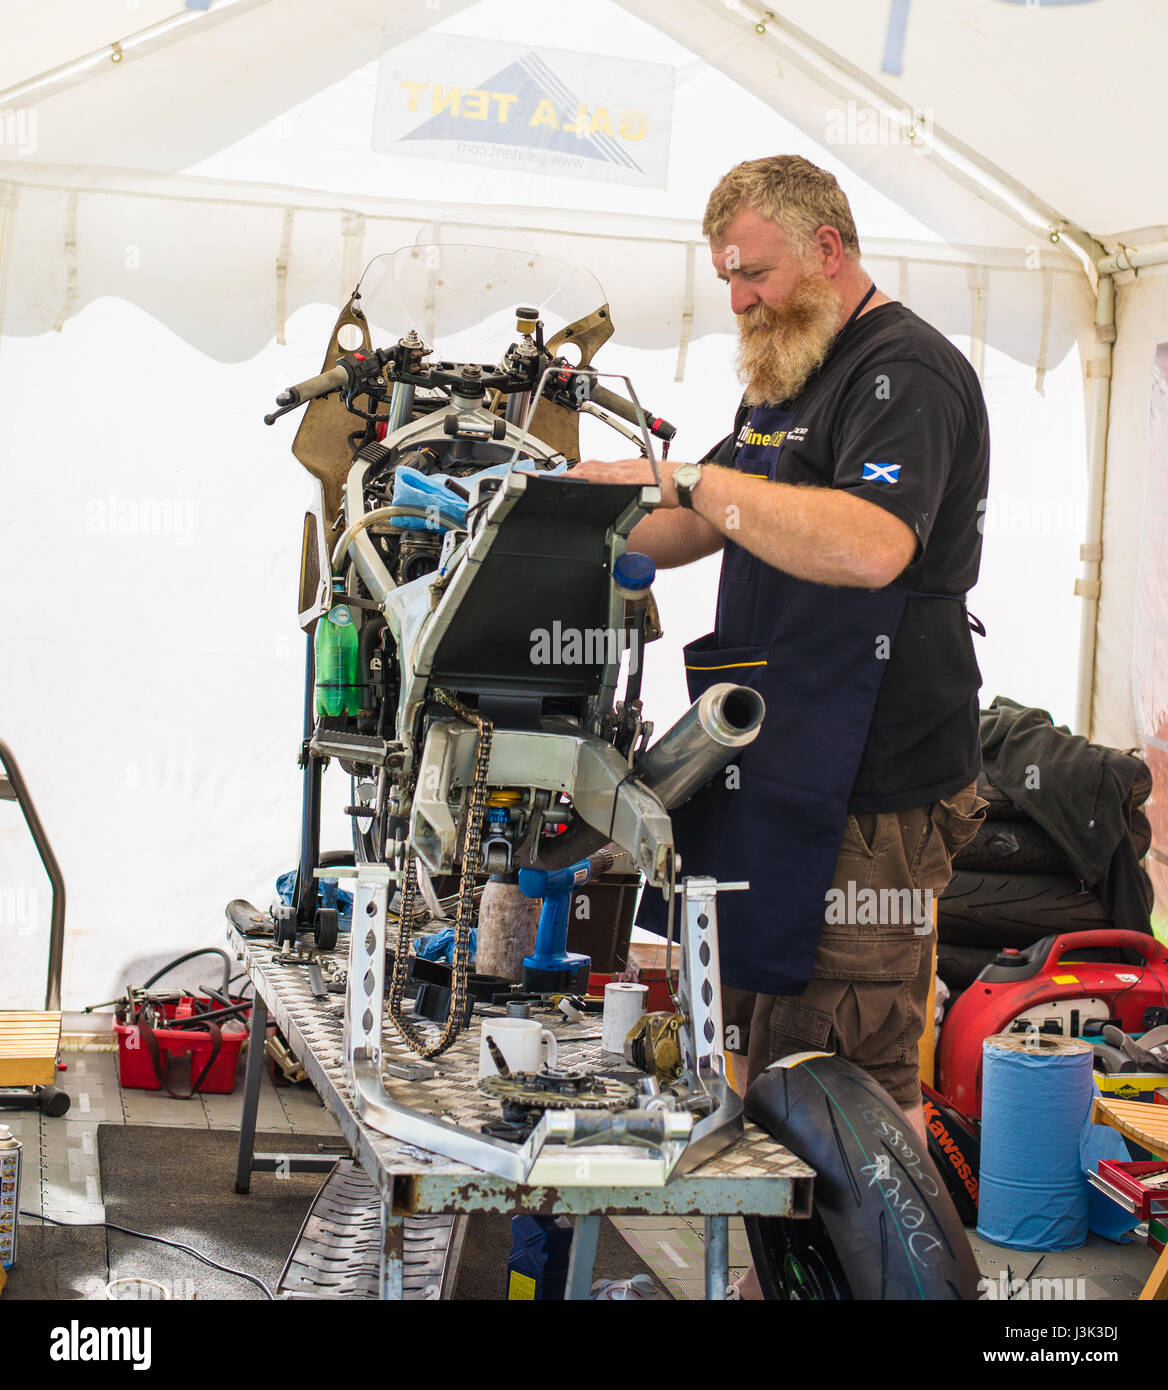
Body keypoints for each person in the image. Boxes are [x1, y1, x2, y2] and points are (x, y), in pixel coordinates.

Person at [571, 156, 989, 1156]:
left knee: (844, 1076)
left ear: (827, 250)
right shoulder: (786, 374)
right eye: (724, 279)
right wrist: (589, 519)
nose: (737, 299)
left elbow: (869, 541)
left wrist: (691, 482)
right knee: (757, 1048)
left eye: (751, 273)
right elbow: (703, 519)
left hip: (871, 790)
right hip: (775, 767)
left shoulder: (905, 372)